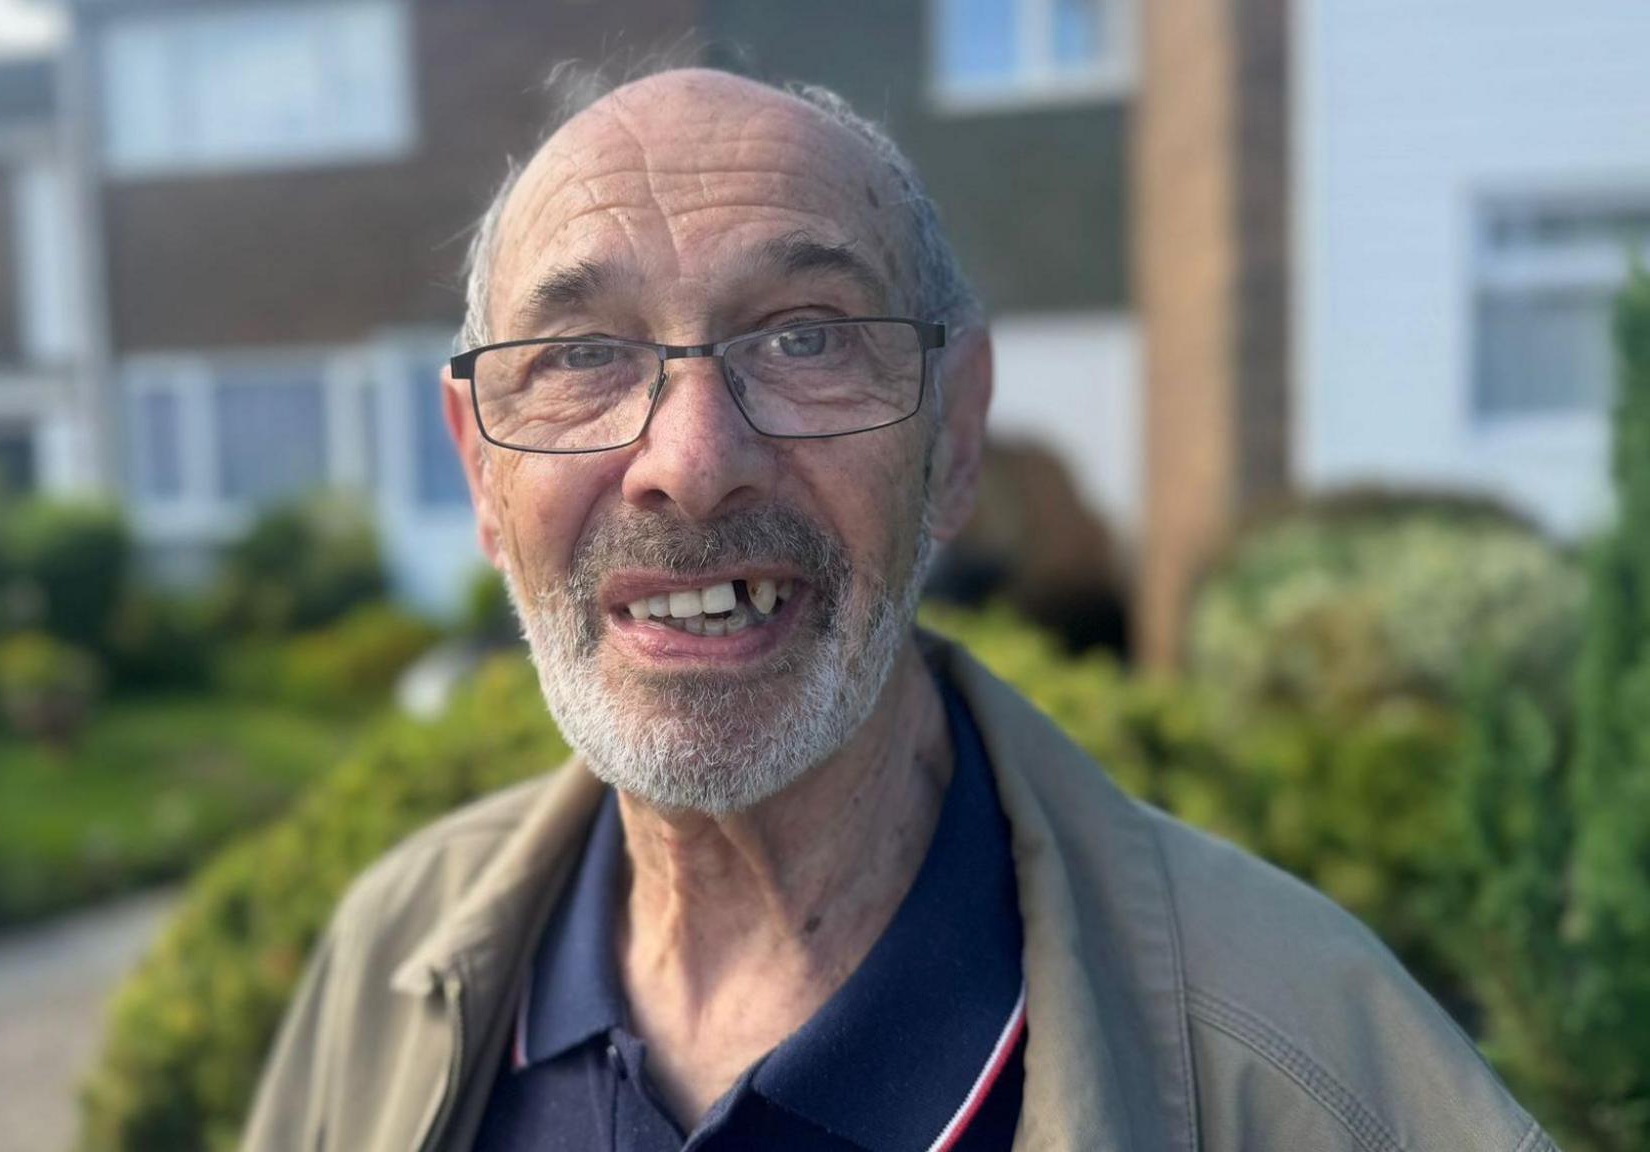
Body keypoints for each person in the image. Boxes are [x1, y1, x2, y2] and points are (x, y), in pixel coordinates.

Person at [239, 67, 1552, 1152]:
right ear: (480, 466)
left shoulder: (1303, 1052)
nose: (691, 461)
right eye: (583, 354)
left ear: (956, 435)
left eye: (805, 335)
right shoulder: (394, 959)